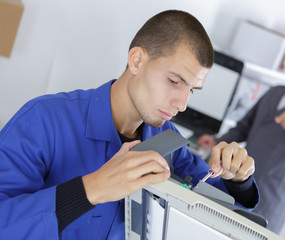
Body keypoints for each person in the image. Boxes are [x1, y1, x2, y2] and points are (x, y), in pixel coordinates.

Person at [0, 10, 259, 239]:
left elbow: (215, 210)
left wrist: (238, 180)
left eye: (192, 90)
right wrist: (91, 189)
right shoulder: (43, 120)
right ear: (136, 60)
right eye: (174, 81)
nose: (182, 104)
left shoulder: (171, 144)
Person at [198, 49, 285, 233]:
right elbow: (244, 127)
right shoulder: (274, 92)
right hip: (241, 182)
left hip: (272, 198)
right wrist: (217, 141)